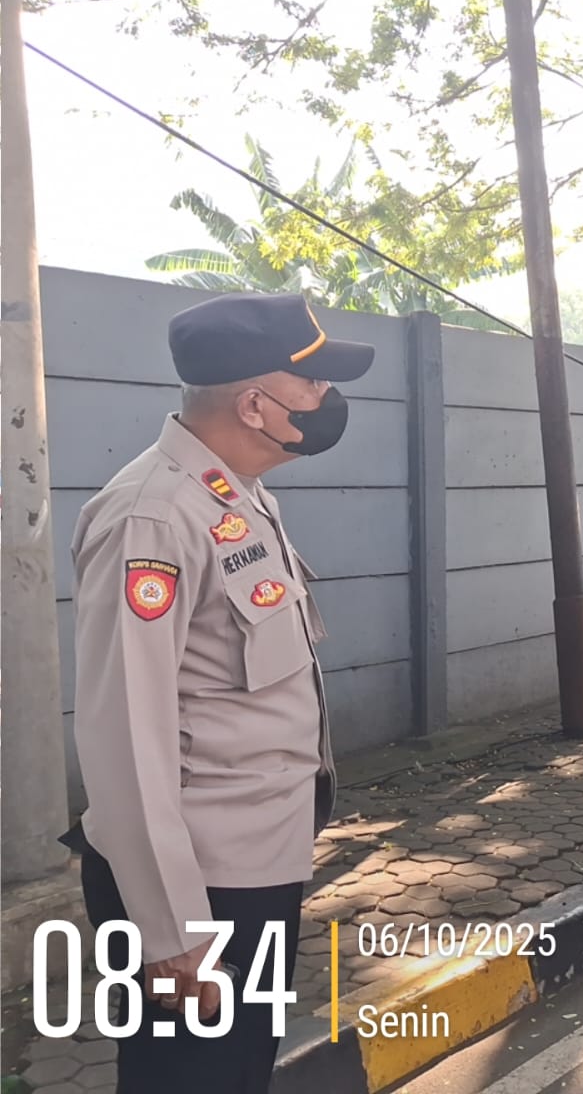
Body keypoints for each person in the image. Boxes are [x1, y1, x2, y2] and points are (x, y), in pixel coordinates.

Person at [63, 291, 373, 1094]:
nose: (326, 398)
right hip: (197, 886)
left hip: (256, 861)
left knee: (237, 1072)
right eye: (311, 383)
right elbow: (124, 736)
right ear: (254, 405)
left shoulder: (236, 493)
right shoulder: (152, 519)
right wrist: (171, 930)